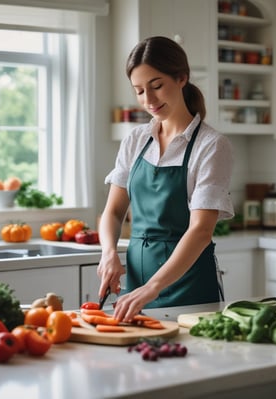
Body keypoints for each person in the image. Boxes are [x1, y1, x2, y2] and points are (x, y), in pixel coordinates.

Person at [97, 36, 234, 322]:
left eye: (157, 86)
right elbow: (113, 211)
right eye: (139, 91)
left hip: (189, 287)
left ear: (181, 78)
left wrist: (153, 287)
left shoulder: (210, 145)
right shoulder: (136, 140)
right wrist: (108, 252)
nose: (149, 100)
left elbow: (200, 231)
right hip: (137, 287)